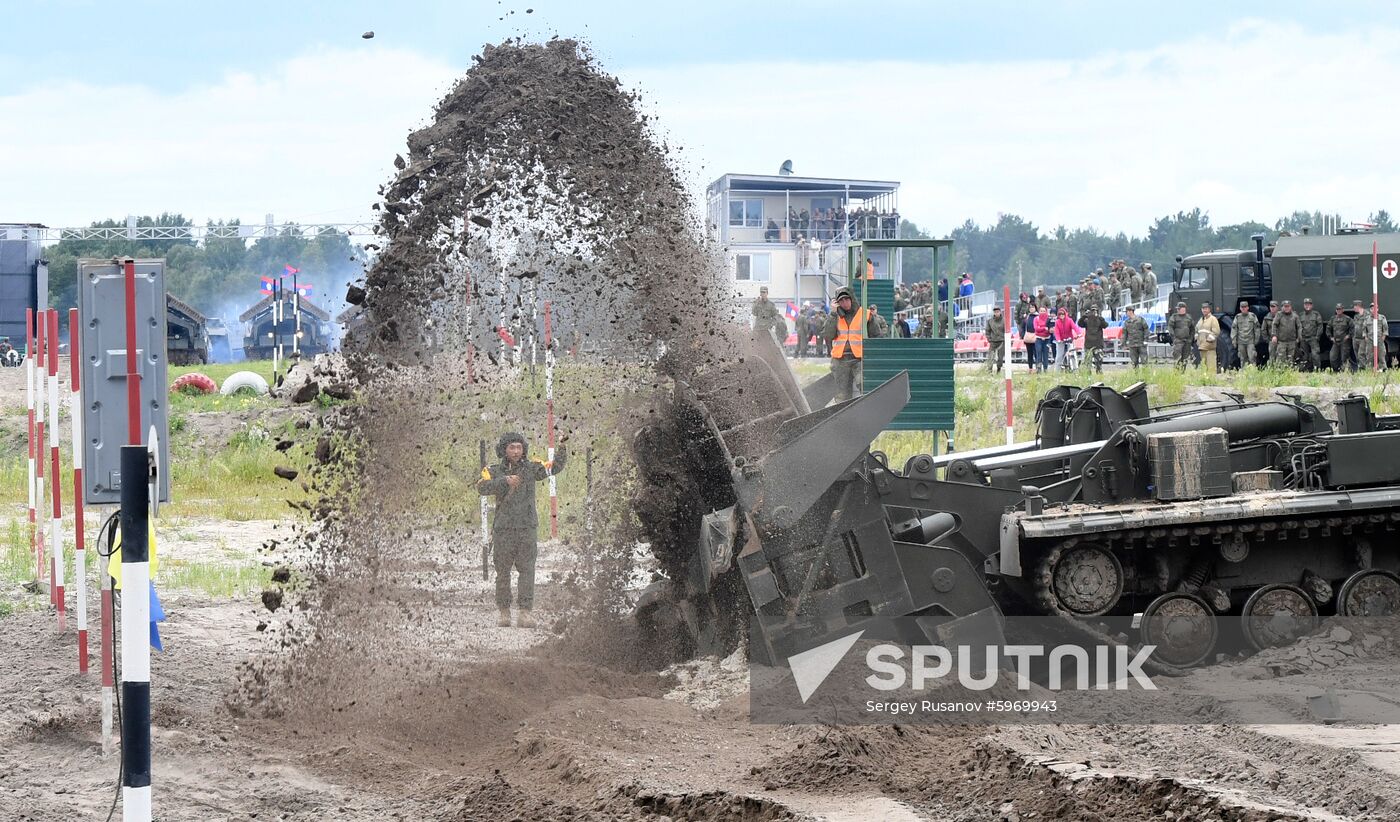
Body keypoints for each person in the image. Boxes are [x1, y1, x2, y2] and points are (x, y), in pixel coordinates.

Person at [478, 432, 568, 628]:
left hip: (527, 527)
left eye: (519, 447)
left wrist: (562, 447)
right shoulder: (493, 470)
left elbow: (554, 467)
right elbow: (481, 487)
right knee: (502, 572)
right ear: (504, 449)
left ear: (523, 449)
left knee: (527, 571)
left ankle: (525, 613)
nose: (516, 451)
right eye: (512, 447)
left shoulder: (531, 467)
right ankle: (504, 612)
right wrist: (504, 481)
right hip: (503, 529)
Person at [823, 286, 884, 402]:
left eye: (846, 299)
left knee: (865, 386)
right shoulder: (835, 316)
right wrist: (833, 314)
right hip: (840, 359)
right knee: (841, 394)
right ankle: (843, 418)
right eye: (841, 301)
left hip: (860, 358)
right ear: (836, 303)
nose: (844, 303)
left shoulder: (866, 314)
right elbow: (828, 335)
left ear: (852, 299)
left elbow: (877, 336)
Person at [1354, 302, 1389, 371]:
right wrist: (1365, 337)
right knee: (1369, 356)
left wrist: (1383, 337)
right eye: (1372, 309)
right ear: (1370, 310)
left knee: (1381, 355)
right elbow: (1364, 329)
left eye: (1375, 308)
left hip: (1379, 339)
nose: (1374, 310)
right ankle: (1370, 370)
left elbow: (1385, 328)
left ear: (1378, 309)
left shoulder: (1382, 318)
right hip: (1370, 340)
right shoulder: (1367, 319)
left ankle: (1383, 369)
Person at [1077, 305, 1108, 373]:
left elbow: (1105, 325)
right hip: (1088, 344)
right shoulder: (1087, 320)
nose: (1094, 312)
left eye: (1096, 310)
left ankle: (1099, 376)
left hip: (1098, 344)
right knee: (1087, 364)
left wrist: (1099, 317)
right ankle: (1088, 377)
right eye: (1093, 310)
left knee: (1099, 364)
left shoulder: (1100, 319)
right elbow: (1079, 324)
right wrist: (1084, 315)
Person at [1272, 300, 1301, 368]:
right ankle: (1280, 373)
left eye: (1288, 306)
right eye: (1285, 307)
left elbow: (1299, 326)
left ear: (1291, 307)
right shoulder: (1279, 315)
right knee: (1281, 359)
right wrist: (1274, 335)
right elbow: (1274, 325)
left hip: (1292, 341)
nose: (1287, 308)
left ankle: (1289, 373)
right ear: (1282, 307)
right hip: (1282, 341)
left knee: (1291, 359)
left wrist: (1299, 337)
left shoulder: (1295, 315)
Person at [1232, 301, 1260, 368]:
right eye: (1242, 307)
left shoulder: (1252, 316)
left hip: (1250, 341)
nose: (1244, 309)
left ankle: (1253, 373)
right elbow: (1234, 329)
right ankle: (1244, 374)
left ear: (1248, 307)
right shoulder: (1237, 317)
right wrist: (1234, 340)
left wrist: (1256, 340)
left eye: (1245, 307)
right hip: (1241, 342)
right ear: (1240, 308)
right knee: (1243, 359)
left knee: (1252, 358)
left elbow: (1257, 328)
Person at [1167, 302, 1194, 368]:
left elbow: (1192, 329)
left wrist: (1190, 339)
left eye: (1179, 308)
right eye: (1177, 309)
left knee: (1185, 358)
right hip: (1178, 341)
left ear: (1184, 309)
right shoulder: (1174, 317)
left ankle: (1182, 372)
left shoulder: (1189, 317)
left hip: (1187, 341)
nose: (1178, 310)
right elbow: (1170, 328)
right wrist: (1174, 339)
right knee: (1177, 358)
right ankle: (1176, 373)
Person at [1299, 298, 1324, 371]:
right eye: (1306, 304)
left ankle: (1317, 370)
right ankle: (1305, 370)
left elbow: (1320, 326)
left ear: (1312, 305)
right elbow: (1298, 326)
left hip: (1313, 338)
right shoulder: (1300, 315)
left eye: (1309, 304)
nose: (1307, 306)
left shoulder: (1316, 314)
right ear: (1304, 305)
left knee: (1315, 355)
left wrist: (1317, 336)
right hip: (1303, 338)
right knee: (1304, 355)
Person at [1327, 303, 1353, 371]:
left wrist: (1348, 336)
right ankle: (1336, 370)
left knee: (1344, 358)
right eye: (1337, 309)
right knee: (1332, 357)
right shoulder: (1333, 319)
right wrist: (1330, 337)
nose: (1339, 311)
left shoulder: (1347, 319)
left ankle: (1345, 371)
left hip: (1344, 342)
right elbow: (1328, 328)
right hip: (1335, 341)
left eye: (1340, 309)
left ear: (1343, 310)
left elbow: (1353, 328)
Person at [1196, 302, 1221, 374]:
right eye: (1203, 309)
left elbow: (1216, 332)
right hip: (1201, 347)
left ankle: (1212, 381)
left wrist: (1208, 341)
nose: (1204, 310)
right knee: (1204, 366)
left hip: (1210, 348)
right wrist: (1198, 341)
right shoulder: (1200, 320)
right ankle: (1205, 380)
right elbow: (1197, 331)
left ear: (1209, 309)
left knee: (1211, 367)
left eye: (1206, 309)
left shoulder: (1213, 319)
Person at [1052, 307, 1077, 371]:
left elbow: (1075, 327)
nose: (1061, 316)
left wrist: (1078, 333)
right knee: (1059, 356)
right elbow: (1056, 332)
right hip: (1061, 341)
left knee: (1073, 354)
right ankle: (1057, 370)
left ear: (1065, 314)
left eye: (1063, 314)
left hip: (1069, 339)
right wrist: (1058, 339)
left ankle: (1075, 369)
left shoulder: (1069, 320)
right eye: (1060, 314)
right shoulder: (1057, 322)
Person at [985, 305, 1006, 373]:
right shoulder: (990, 321)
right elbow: (987, 331)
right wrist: (989, 339)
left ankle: (998, 369)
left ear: (1000, 312)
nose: (996, 313)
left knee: (1000, 357)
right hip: (993, 341)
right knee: (991, 356)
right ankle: (989, 370)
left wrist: (1005, 338)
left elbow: (1007, 330)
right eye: (995, 312)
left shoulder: (1004, 321)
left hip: (1001, 341)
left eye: (998, 311)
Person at [1032, 306, 1052, 372]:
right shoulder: (1036, 319)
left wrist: (1041, 328)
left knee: (1046, 354)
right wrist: (1044, 328)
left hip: (1047, 339)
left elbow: (1049, 330)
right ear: (1038, 311)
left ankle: (1045, 368)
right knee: (1038, 354)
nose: (1042, 312)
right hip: (1038, 339)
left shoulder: (1049, 319)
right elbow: (1036, 329)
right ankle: (1038, 368)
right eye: (1041, 311)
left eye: (1044, 311)